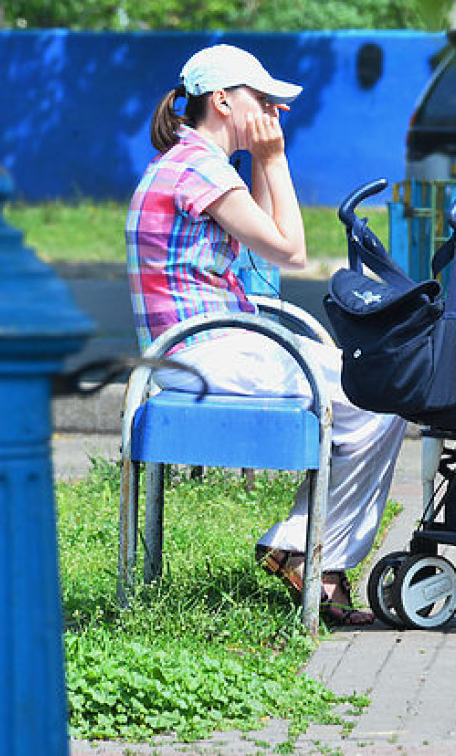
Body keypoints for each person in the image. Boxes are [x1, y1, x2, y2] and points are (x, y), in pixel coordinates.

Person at [126, 43, 407, 627]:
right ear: (223, 101)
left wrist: (259, 159)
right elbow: (293, 251)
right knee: (383, 394)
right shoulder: (199, 169)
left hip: (209, 348)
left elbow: (260, 251)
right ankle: (306, 552)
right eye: (265, 100)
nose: (276, 113)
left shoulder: (194, 164)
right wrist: (275, 160)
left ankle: (304, 548)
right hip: (209, 353)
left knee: (375, 392)